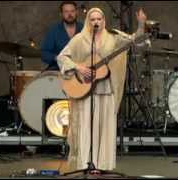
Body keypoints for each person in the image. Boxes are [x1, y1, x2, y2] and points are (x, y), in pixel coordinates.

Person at [57, 7, 147, 171]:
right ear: (88, 22)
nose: (96, 22)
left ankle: (102, 165)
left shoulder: (113, 37)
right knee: (85, 127)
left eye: (99, 19)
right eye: (92, 19)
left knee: (105, 127)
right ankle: (85, 163)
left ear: (104, 21)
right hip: (85, 91)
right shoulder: (79, 38)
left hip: (106, 89)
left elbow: (135, 40)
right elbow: (62, 57)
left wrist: (141, 25)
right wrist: (78, 67)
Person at [41, 1, 83, 70]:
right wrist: (57, 58)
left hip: (80, 70)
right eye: (66, 12)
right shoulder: (53, 31)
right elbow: (44, 54)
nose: (70, 14)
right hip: (58, 70)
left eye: (72, 11)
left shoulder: (84, 29)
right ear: (61, 14)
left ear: (76, 12)